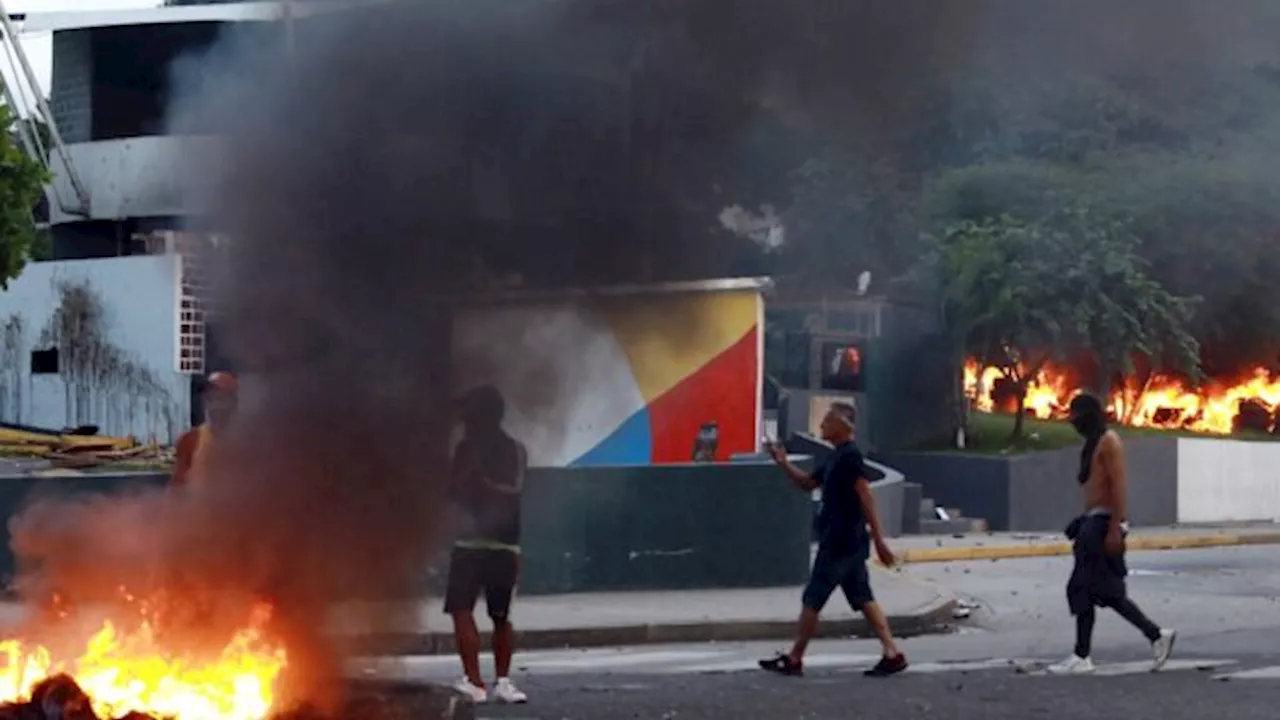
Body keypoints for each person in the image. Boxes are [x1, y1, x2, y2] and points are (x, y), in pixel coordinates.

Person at [758, 401, 908, 678]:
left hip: (841, 542)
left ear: (843, 427)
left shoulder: (851, 457)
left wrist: (880, 540)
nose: (822, 425)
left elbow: (867, 497)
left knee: (814, 596)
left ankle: (795, 658)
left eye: (828, 421)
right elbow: (808, 484)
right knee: (862, 596)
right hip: (846, 542)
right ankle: (892, 653)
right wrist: (783, 463)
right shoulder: (835, 456)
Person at [1046, 392, 1176, 674]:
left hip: (1103, 524)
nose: (1074, 424)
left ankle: (1083, 656)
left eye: (1078, 418)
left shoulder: (1109, 442)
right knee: (1103, 592)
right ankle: (1154, 636)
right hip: (1093, 522)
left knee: (1084, 587)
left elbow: (1118, 486)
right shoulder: (1094, 445)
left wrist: (1115, 528)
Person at [445, 385, 529, 704]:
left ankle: (476, 682)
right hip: (506, 545)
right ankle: (503, 682)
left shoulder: (467, 449)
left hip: (472, 543)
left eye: (467, 411)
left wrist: (478, 483)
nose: (463, 418)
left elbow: (456, 491)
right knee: (500, 615)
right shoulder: (516, 449)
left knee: (462, 609)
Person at [172, 371, 238, 489]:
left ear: (233, 403)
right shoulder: (190, 441)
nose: (213, 405)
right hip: (197, 506)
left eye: (219, 399)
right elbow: (177, 489)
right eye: (209, 398)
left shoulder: (246, 443)